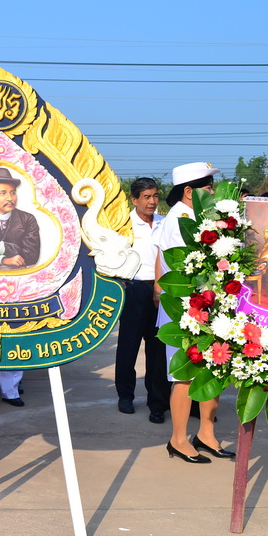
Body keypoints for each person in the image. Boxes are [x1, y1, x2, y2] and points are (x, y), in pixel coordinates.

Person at [153, 162, 234, 464]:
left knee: (212, 369)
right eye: (208, 188)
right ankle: (178, 439)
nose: (213, 193)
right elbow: (187, 267)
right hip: (186, 310)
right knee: (184, 375)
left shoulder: (197, 217)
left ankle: (206, 434)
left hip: (207, 306)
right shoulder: (179, 220)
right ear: (189, 192)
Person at [114, 177, 170, 423]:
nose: (152, 201)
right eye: (146, 197)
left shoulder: (165, 222)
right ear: (134, 199)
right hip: (133, 289)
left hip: (161, 290)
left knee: (158, 349)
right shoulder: (123, 224)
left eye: (155, 196)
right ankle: (125, 395)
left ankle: (157, 402)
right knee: (129, 345)